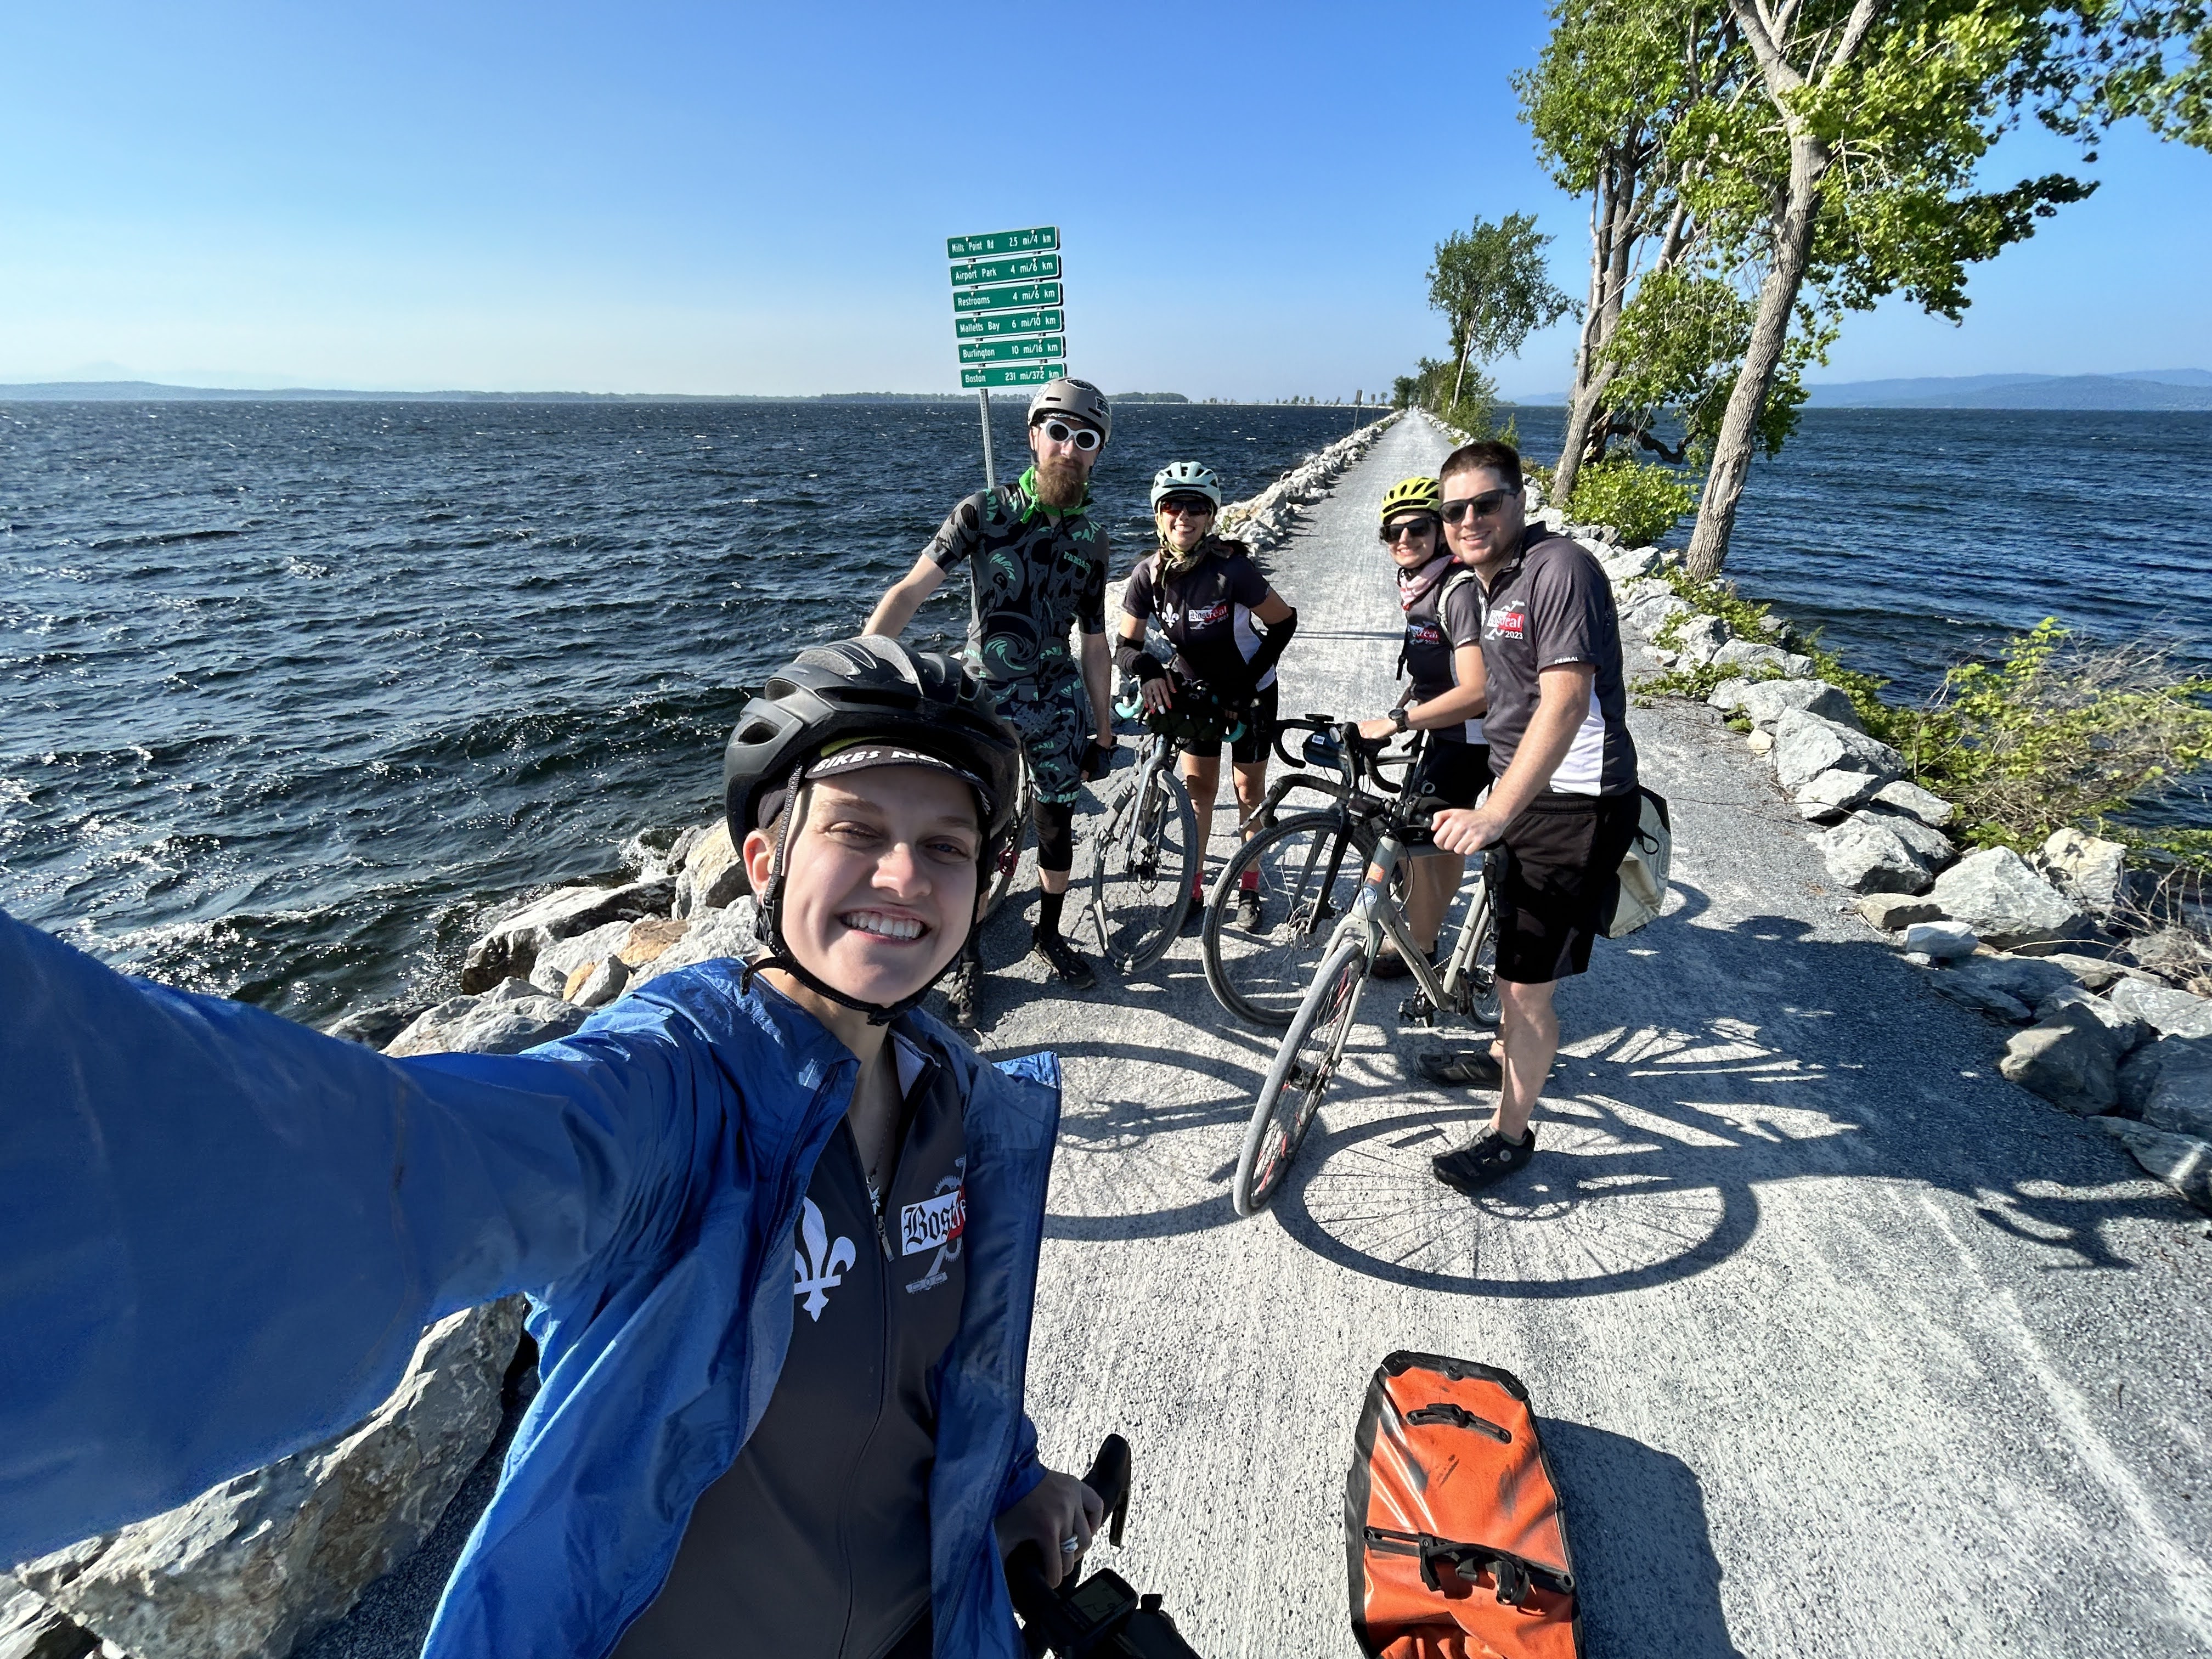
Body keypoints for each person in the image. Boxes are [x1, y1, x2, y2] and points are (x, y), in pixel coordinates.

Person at [0, 636, 1102, 1659]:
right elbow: (378, 1168)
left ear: (986, 883)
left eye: (944, 846)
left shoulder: (960, 1104)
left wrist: (1011, 1478)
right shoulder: (676, 1091)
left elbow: (936, 1366)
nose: (905, 878)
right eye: (858, 831)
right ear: (763, 862)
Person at [1424, 440, 1642, 1195]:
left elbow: (1567, 699)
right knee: (1512, 951)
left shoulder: (1560, 569)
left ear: (1521, 500)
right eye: (1455, 511)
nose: (1470, 520)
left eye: (1487, 504)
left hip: (1573, 807)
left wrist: (1497, 814)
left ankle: (1511, 1134)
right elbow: (1496, 695)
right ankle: (1498, 1053)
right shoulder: (1490, 583)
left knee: (1526, 990)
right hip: (1523, 794)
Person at [866, 377, 1118, 1024]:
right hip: (987, 695)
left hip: (1059, 699)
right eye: (1057, 432)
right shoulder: (984, 512)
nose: (1069, 447)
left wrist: (1105, 728)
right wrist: (863, 665)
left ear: (1097, 453)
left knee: (1058, 822)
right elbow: (911, 591)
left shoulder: (1093, 540)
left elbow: (1094, 642)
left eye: (1085, 439)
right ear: (1034, 436)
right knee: (977, 829)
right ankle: (968, 954)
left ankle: (1049, 933)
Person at [1114, 461, 1299, 932]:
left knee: (1248, 791)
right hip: (1197, 694)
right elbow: (1126, 647)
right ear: (1158, 515)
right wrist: (1152, 670)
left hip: (1251, 690)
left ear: (1211, 516)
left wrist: (1243, 685)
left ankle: (1250, 885)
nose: (1184, 516)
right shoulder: (1148, 574)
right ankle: (1193, 889)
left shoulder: (1231, 569)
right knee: (1199, 793)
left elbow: (1283, 622)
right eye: (1172, 506)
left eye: (1196, 507)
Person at [1353, 475, 1491, 988]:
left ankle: (1423, 946)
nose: (1403, 540)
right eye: (1393, 532)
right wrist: (1406, 707)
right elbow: (1436, 668)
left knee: (1420, 842)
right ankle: (1427, 928)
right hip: (1447, 729)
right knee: (1438, 839)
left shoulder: (1455, 591)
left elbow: (1477, 689)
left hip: (1472, 735)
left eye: (1417, 528)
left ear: (1440, 531)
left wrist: (1399, 721)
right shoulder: (1423, 584)